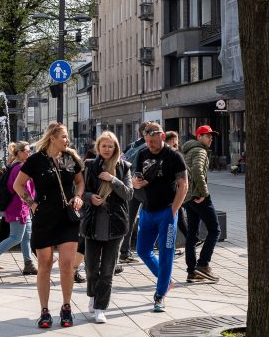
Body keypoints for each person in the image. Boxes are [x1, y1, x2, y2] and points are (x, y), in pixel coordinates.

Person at [14, 122, 84, 329]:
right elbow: (18, 185)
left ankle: (66, 307)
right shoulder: (36, 160)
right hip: (44, 217)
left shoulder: (70, 159)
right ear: (52, 137)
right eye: (64, 136)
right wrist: (32, 204)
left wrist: (78, 197)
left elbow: (80, 182)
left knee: (67, 265)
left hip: (67, 217)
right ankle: (44, 311)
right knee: (44, 265)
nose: (67, 140)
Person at [133, 122, 188, 311]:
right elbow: (135, 177)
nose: (150, 145)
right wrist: (135, 183)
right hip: (147, 210)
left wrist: (174, 210)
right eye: (147, 141)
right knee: (142, 250)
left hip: (166, 211)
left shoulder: (174, 156)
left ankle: (160, 295)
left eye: (153, 141)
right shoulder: (142, 153)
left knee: (166, 254)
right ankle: (167, 281)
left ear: (162, 137)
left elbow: (183, 184)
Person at [80, 131, 132, 324]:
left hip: (115, 226)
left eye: (111, 146)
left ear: (116, 147)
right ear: (98, 148)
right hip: (93, 223)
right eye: (104, 146)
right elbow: (79, 191)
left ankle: (101, 308)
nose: (108, 149)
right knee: (92, 269)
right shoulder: (89, 166)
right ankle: (93, 296)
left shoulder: (124, 167)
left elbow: (128, 194)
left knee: (108, 270)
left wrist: (112, 179)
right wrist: (89, 198)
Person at [0, 141, 35, 276]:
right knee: (16, 237)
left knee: (26, 236)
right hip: (18, 207)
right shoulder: (20, 168)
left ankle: (28, 264)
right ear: (20, 152)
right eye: (28, 151)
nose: (30, 153)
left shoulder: (16, 166)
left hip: (22, 208)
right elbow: (23, 189)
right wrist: (32, 203)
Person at [181, 125, 221, 283]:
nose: (210, 138)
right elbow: (197, 170)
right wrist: (204, 193)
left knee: (192, 233)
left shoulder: (189, 150)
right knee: (215, 230)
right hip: (198, 196)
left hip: (188, 198)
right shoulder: (200, 151)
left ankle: (192, 272)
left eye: (211, 136)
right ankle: (203, 265)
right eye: (207, 135)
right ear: (198, 137)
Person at [118, 122, 150, 263]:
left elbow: (120, 160)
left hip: (130, 184)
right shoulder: (148, 147)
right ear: (145, 134)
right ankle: (149, 248)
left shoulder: (132, 146)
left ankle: (124, 252)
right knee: (154, 216)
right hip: (143, 187)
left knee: (129, 219)